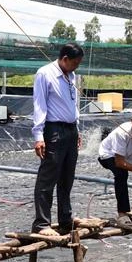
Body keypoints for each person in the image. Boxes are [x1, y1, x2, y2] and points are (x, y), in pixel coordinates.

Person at [31, 42, 84, 236]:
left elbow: (73, 105)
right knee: (48, 177)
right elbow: (39, 105)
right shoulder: (45, 74)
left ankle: (65, 219)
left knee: (67, 177)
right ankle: (42, 223)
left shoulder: (72, 76)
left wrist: (77, 129)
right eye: (75, 63)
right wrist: (38, 136)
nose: (76, 67)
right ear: (64, 59)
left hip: (70, 130)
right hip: (53, 130)